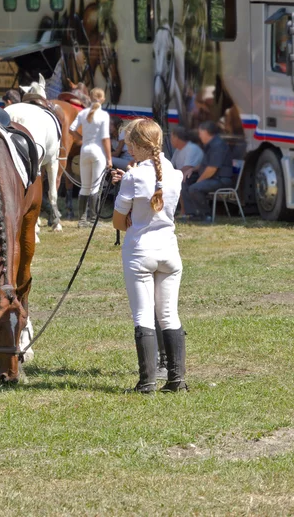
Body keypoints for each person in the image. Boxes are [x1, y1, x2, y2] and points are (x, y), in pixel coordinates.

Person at [111, 119, 188, 393]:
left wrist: (128, 203)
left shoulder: (132, 177)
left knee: (143, 316)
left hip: (140, 252)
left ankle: (147, 383)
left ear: (137, 145)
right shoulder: (174, 173)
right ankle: (177, 380)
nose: (128, 149)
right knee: (169, 315)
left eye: (130, 144)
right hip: (169, 251)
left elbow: (119, 222)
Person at [69, 87, 112, 227]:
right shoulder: (104, 115)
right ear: (103, 99)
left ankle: (81, 220)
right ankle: (93, 220)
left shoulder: (83, 113)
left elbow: (71, 129)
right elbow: (105, 138)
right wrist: (110, 158)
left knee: (85, 186)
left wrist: (80, 139)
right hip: (98, 151)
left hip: (85, 150)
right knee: (95, 187)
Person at [180, 120, 233, 222]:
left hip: (221, 179)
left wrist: (199, 181)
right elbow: (205, 164)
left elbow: (212, 169)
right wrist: (192, 169)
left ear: (206, 133)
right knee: (185, 181)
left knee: (195, 188)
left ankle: (205, 215)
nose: (199, 136)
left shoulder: (218, 145)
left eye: (200, 133)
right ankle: (193, 213)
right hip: (212, 177)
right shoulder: (210, 144)